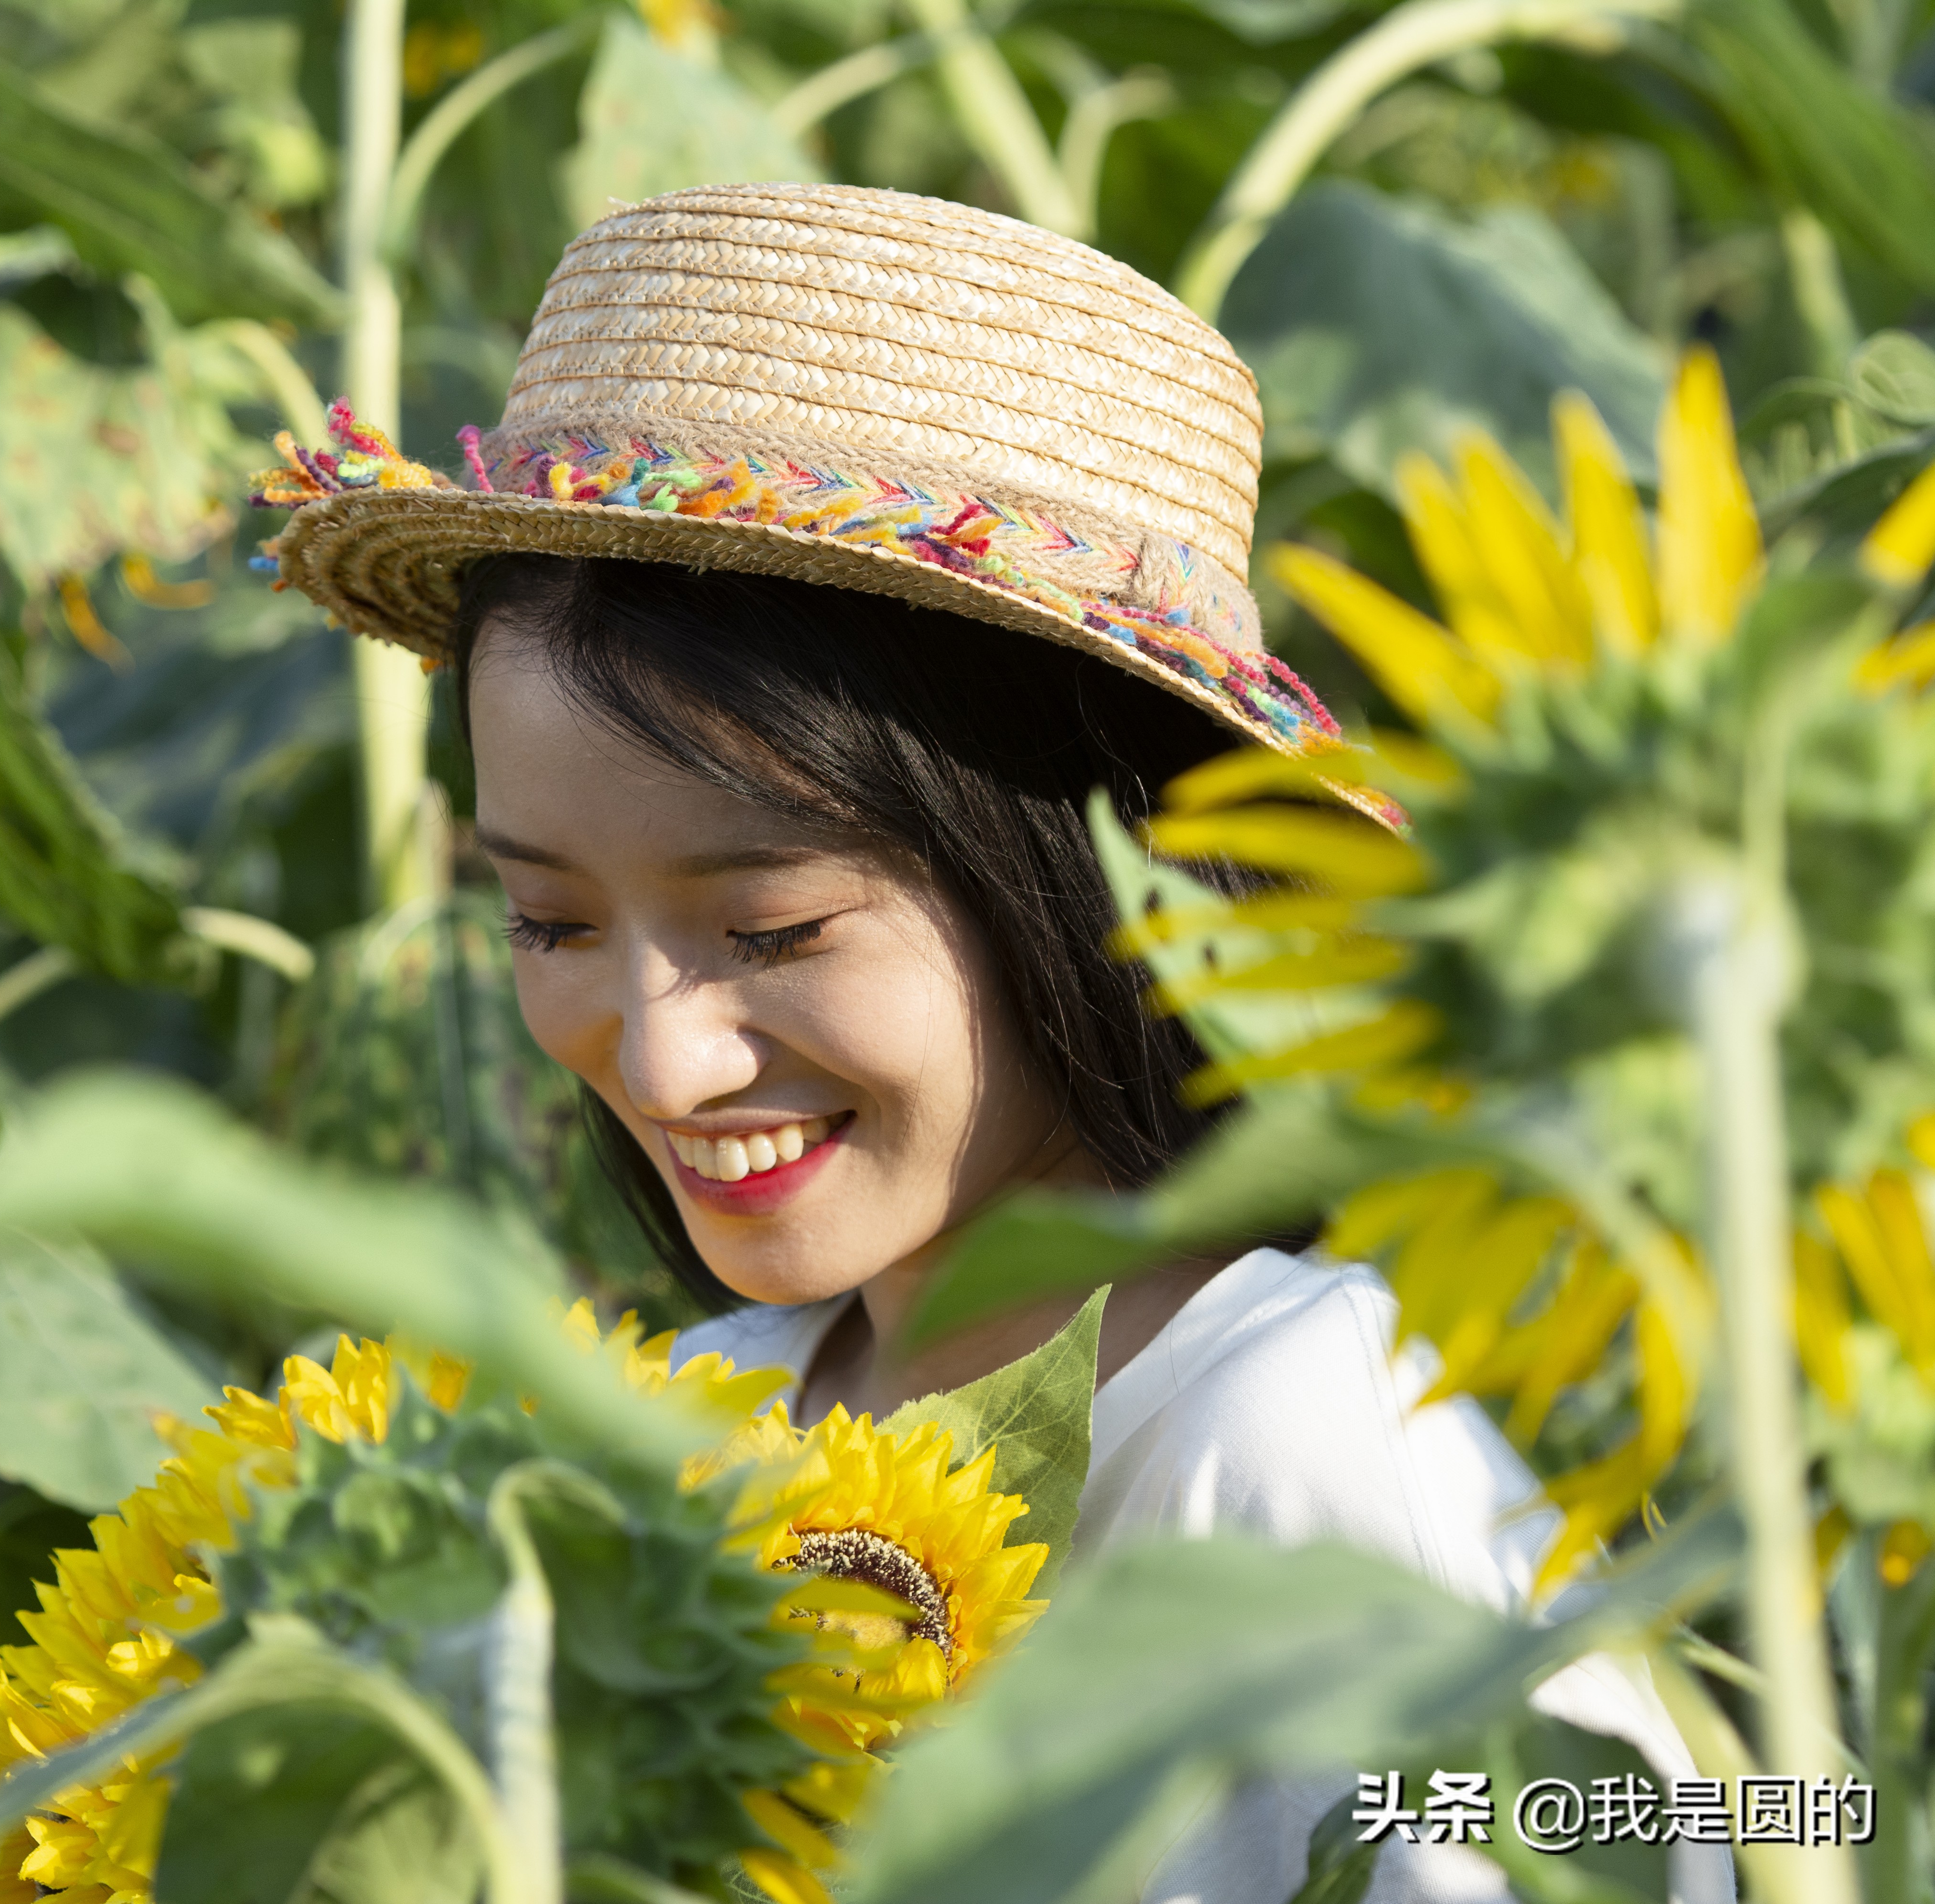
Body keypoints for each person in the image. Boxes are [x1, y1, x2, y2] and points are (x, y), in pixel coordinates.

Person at [256, 181, 1729, 1904]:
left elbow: (1675, 1851)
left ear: (1085, 874)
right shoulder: (696, 1435)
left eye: (775, 931)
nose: (660, 1067)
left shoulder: (1308, 1432)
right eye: (552, 922)